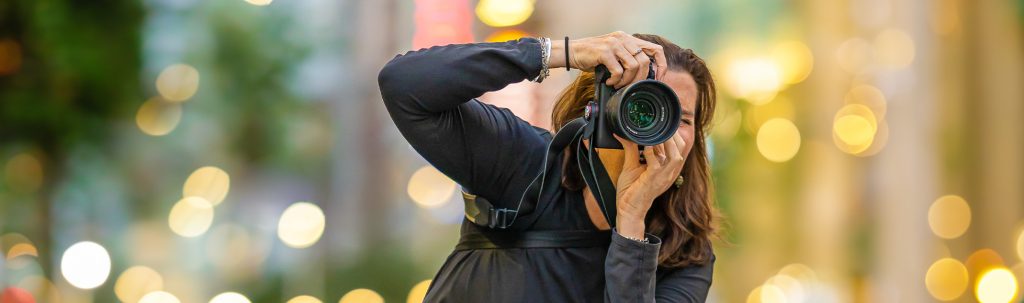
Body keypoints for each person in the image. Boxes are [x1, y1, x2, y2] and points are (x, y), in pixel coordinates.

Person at [378, 31, 719, 302]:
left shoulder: (686, 251)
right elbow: (403, 84)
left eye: (682, 118)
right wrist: (562, 52)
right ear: (595, 110)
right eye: (640, 106)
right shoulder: (524, 162)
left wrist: (631, 221)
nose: (659, 128)